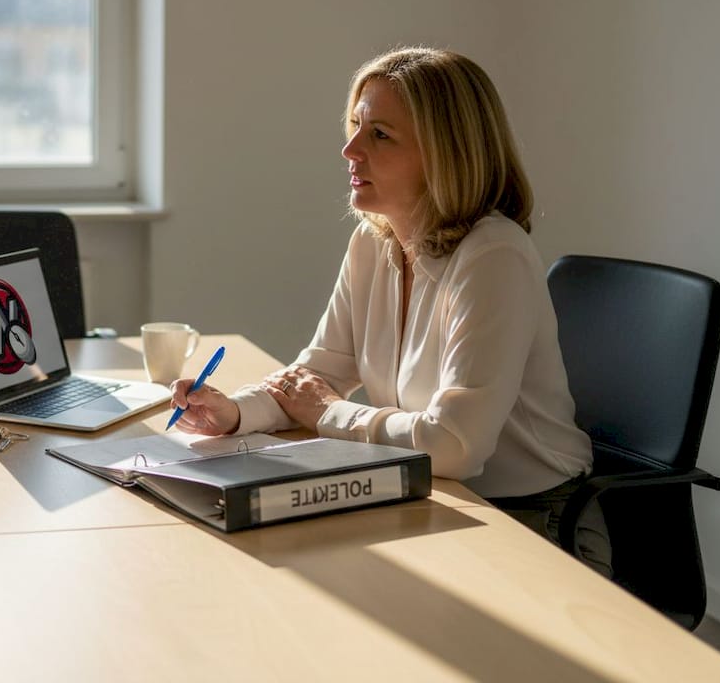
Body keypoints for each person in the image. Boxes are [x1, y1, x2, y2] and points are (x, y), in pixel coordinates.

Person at [170, 46, 611, 575]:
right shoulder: (372, 242)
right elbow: (317, 375)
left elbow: (455, 447)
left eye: (380, 134)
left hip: (534, 524)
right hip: (430, 496)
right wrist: (236, 413)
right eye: (355, 126)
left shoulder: (495, 257)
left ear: (445, 153)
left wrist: (329, 413)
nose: (350, 149)